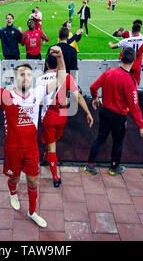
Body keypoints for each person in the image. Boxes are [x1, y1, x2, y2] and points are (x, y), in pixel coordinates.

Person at [0, 45, 67, 228]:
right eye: (21, 74)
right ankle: (13, 192)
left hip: (31, 148)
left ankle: (32, 211)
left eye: (28, 74)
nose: (25, 77)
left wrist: (61, 57)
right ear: (15, 78)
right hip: (13, 148)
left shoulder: (37, 93)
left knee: (33, 180)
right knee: (14, 178)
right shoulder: (7, 96)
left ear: (33, 78)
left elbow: (61, 78)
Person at [84, 48, 143, 176]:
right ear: (134, 61)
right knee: (118, 142)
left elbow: (93, 87)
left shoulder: (109, 72)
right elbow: (134, 106)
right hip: (118, 116)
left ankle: (89, 165)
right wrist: (141, 126)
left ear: (121, 57)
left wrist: (95, 99)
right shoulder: (130, 81)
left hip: (104, 112)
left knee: (100, 139)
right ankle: (114, 168)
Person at [37, 54, 93, 187]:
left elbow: (38, 99)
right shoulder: (67, 77)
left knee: (52, 146)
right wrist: (88, 112)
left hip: (48, 116)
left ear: (46, 65)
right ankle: (46, 157)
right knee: (53, 141)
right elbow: (78, 96)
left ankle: (55, 177)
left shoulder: (40, 79)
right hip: (62, 115)